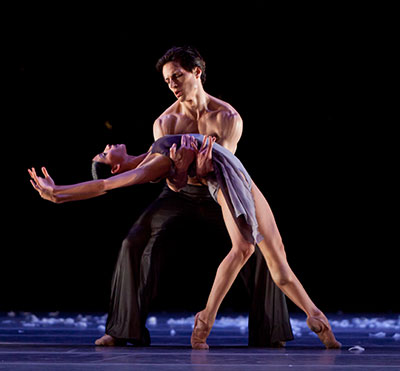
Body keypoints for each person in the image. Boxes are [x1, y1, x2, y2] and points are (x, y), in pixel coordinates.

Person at [28, 133, 341, 350]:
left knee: (278, 259)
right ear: (115, 164)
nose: (107, 146)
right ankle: (205, 320)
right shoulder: (154, 164)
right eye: (104, 153)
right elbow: (105, 185)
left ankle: (317, 318)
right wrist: (59, 194)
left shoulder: (154, 154)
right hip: (220, 172)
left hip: (236, 170)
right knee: (244, 248)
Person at [95, 45, 293, 347]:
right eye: (167, 80)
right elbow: (167, 176)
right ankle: (123, 329)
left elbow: (222, 170)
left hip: (222, 190)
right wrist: (178, 177)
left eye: (177, 76)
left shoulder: (227, 117)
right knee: (133, 240)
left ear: (196, 72)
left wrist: (199, 170)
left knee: (259, 241)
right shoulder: (165, 123)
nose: (172, 84)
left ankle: (270, 332)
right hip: (180, 192)